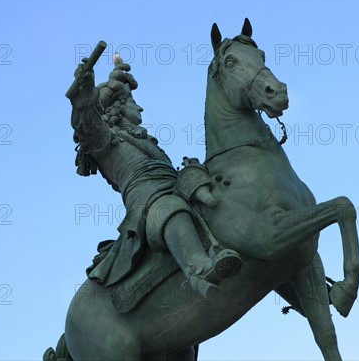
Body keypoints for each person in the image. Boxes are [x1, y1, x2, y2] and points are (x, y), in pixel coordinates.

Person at [69, 54, 241, 296]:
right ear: (118, 107)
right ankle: (199, 270)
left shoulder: (142, 138)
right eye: (131, 102)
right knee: (168, 207)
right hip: (148, 199)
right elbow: (87, 123)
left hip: (176, 184)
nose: (139, 106)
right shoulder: (103, 141)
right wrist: (87, 91)